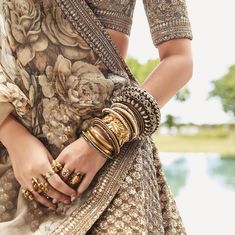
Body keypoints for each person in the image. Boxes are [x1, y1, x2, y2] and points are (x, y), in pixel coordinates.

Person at [0, 0, 193, 234]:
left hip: (113, 159)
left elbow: (179, 60)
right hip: (20, 167)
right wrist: (14, 139)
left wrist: (102, 140)